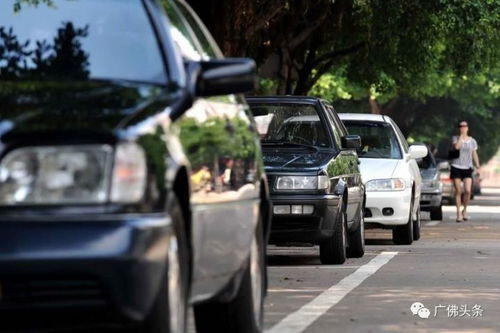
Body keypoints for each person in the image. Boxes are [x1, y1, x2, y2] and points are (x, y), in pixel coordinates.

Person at [450, 121, 480, 222]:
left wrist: (478, 166)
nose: (463, 127)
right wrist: (461, 137)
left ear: (468, 128)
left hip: (468, 167)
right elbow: (457, 147)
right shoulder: (455, 138)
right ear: (459, 128)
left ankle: (465, 210)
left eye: (464, 126)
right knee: (458, 191)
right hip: (456, 166)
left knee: (467, 190)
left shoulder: (472, 141)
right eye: (461, 126)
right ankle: (458, 213)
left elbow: (474, 154)